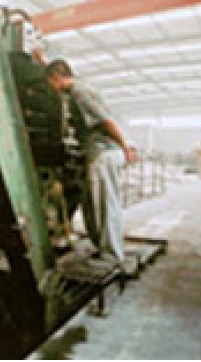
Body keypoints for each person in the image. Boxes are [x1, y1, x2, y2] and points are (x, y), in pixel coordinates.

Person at [44, 59, 137, 265]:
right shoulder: (78, 86)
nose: (50, 89)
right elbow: (61, 70)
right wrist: (42, 61)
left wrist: (125, 147)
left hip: (104, 154)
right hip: (97, 154)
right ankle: (102, 248)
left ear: (56, 78)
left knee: (105, 206)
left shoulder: (80, 93)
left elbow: (106, 122)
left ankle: (112, 256)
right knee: (93, 206)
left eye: (50, 82)